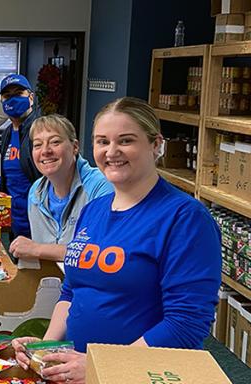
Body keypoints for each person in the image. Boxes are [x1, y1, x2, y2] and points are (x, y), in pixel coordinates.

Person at [12, 97, 221, 383]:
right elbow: (72, 291)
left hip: (139, 375)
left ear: (156, 145)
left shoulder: (185, 218)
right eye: (102, 141)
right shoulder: (94, 210)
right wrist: (44, 349)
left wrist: (104, 367)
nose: (112, 152)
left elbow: (186, 324)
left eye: (125, 140)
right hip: (82, 370)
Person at [9, 114, 112, 262]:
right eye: (38, 145)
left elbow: (101, 253)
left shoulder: (100, 186)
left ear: (75, 147)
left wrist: (37, 248)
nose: (45, 151)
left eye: (55, 142)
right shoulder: (36, 193)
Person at [0, 74, 41, 239]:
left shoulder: (41, 130)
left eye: (18, 94)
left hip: (39, 223)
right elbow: (13, 174)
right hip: (16, 222)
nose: (12, 100)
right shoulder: (8, 133)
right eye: (7, 96)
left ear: (30, 96)